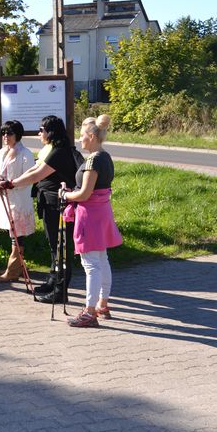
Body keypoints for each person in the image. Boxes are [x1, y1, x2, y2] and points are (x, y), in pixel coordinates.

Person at [7, 115, 80, 302]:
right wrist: (11, 182)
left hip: (58, 206)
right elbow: (33, 170)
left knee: (60, 247)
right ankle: (52, 281)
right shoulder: (52, 150)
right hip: (50, 203)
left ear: (50, 132)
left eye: (42, 129)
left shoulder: (59, 152)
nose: (39, 133)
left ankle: (60, 291)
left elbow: (36, 175)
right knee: (53, 244)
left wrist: (12, 184)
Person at [59, 114, 123, 328]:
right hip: (102, 211)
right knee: (101, 259)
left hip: (91, 214)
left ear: (92, 136)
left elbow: (85, 193)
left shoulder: (94, 159)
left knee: (90, 264)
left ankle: (89, 311)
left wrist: (65, 195)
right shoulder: (106, 156)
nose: (79, 140)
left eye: (82, 136)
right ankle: (102, 304)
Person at [0, 120, 36, 282]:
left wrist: (11, 185)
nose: (5, 136)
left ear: (17, 135)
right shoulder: (2, 152)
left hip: (19, 199)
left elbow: (29, 178)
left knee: (18, 232)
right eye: (3, 133)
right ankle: (17, 266)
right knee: (12, 231)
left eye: (9, 133)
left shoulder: (26, 154)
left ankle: (13, 269)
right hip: (4, 198)